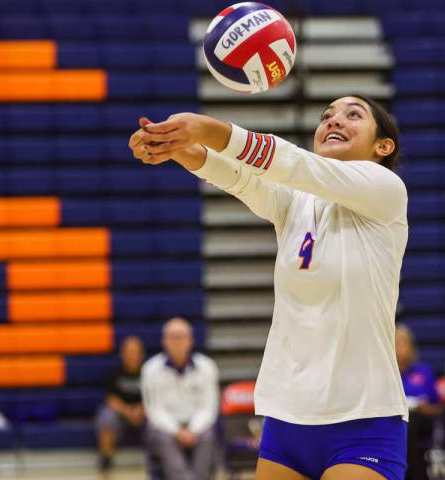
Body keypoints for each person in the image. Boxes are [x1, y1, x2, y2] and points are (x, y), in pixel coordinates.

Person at [129, 94, 409, 480]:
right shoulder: (297, 203)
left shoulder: (386, 189)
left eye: (353, 115)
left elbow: (291, 164)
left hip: (363, 417)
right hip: (289, 414)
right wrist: (178, 147)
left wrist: (209, 129)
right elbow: (242, 180)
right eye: (326, 116)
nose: (334, 121)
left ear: (383, 146)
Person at [141, 317, 219, 480]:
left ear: (190, 340)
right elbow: (155, 410)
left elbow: (209, 407)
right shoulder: (151, 369)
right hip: (165, 428)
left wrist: (192, 430)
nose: (177, 341)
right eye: (172, 337)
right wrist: (177, 431)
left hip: (198, 426)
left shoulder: (207, 367)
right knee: (163, 438)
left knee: (207, 436)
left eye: (181, 336)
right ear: (164, 341)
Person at [395, 324, 441, 480]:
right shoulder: (383, 374)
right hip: (393, 424)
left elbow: (438, 407)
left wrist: (423, 407)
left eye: (402, 343)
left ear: (410, 346)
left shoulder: (423, 371)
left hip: (421, 422)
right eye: (394, 343)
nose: (399, 348)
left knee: (410, 428)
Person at [95, 335, 146, 471]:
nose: (132, 356)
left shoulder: (150, 372)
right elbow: (111, 399)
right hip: (122, 412)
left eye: (135, 352)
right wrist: (128, 412)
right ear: (123, 354)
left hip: (145, 411)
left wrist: (142, 410)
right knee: (106, 416)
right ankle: (106, 457)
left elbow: (155, 397)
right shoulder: (115, 373)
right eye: (129, 352)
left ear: (141, 355)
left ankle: (161, 458)